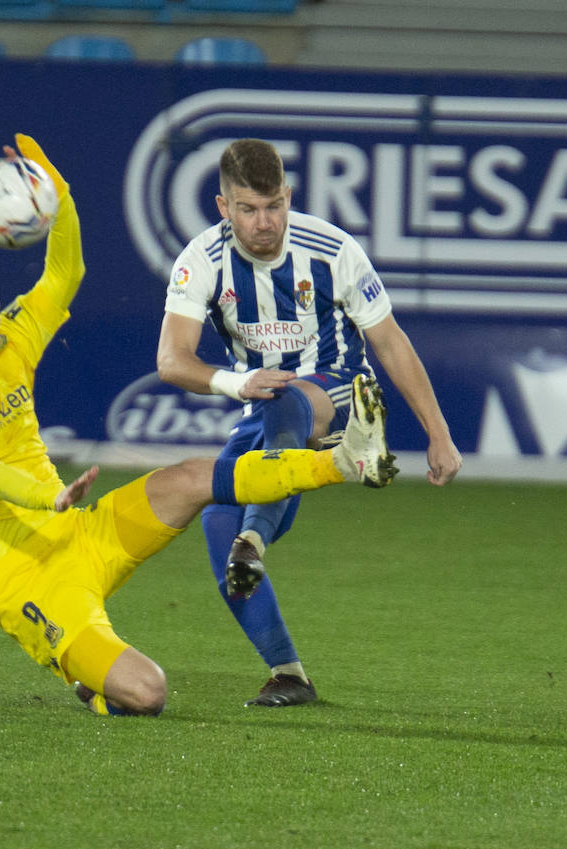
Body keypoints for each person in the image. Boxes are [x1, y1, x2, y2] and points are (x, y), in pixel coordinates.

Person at [0, 134, 397, 717]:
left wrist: (57, 195)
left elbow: (66, 272)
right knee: (147, 692)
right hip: (27, 579)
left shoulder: (9, 338)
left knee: (195, 478)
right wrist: (50, 495)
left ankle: (342, 462)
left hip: (84, 534)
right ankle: (87, 677)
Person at [156, 138, 462, 708]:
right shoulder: (201, 261)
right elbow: (172, 360)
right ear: (224, 208)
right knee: (217, 525)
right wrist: (234, 382)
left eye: (274, 205)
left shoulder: (332, 249)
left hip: (342, 391)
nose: (264, 222)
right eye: (247, 209)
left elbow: (390, 343)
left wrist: (438, 434)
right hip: (262, 401)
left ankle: (263, 529)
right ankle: (288, 672)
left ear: (288, 197)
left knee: (286, 406)